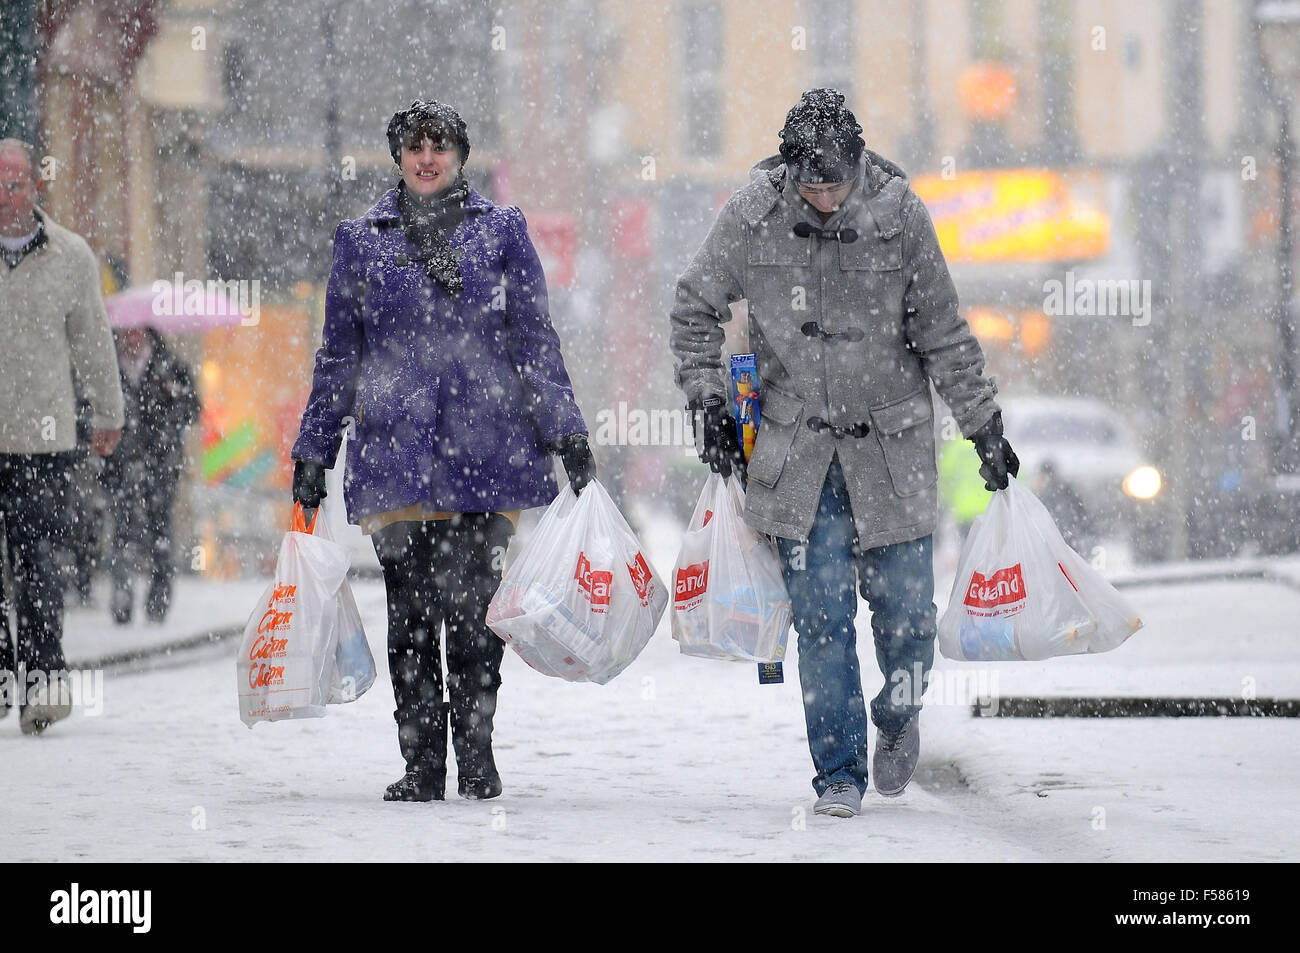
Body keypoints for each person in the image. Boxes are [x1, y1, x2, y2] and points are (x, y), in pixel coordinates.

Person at [670, 90, 1018, 818]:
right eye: (810, 185)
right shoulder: (753, 215)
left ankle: (898, 713)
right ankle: (837, 770)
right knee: (822, 620)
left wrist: (983, 425)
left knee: (910, 621)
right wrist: (707, 400)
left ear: (859, 165)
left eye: (834, 184)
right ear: (791, 170)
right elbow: (694, 305)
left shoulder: (902, 217)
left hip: (891, 457)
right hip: (797, 458)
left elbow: (946, 332)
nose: (822, 199)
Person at [291, 101, 593, 802]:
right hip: (396, 458)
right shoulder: (362, 240)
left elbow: (533, 341)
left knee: (475, 616)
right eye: (415, 147)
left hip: (486, 455)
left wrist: (566, 429)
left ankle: (477, 753)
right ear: (398, 155)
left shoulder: (502, 233)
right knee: (410, 617)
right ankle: (423, 762)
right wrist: (314, 449)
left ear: (461, 155)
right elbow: (339, 355)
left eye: (440, 146)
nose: (427, 158)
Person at [0, 138, 124, 734]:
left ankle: (44, 684)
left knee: (38, 567)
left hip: (41, 442)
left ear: (36, 188)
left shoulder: (70, 256)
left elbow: (94, 343)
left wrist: (108, 413)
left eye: (16, 183)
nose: (5, 194)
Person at [101, 326, 201, 624]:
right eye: (127, 333)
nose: (132, 338)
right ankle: (121, 600)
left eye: (137, 332)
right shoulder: (110, 368)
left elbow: (193, 410)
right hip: (121, 467)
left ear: (149, 333)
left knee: (160, 533)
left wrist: (173, 396)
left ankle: (158, 602)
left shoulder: (170, 366)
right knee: (122, 532)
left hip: (161, 467)